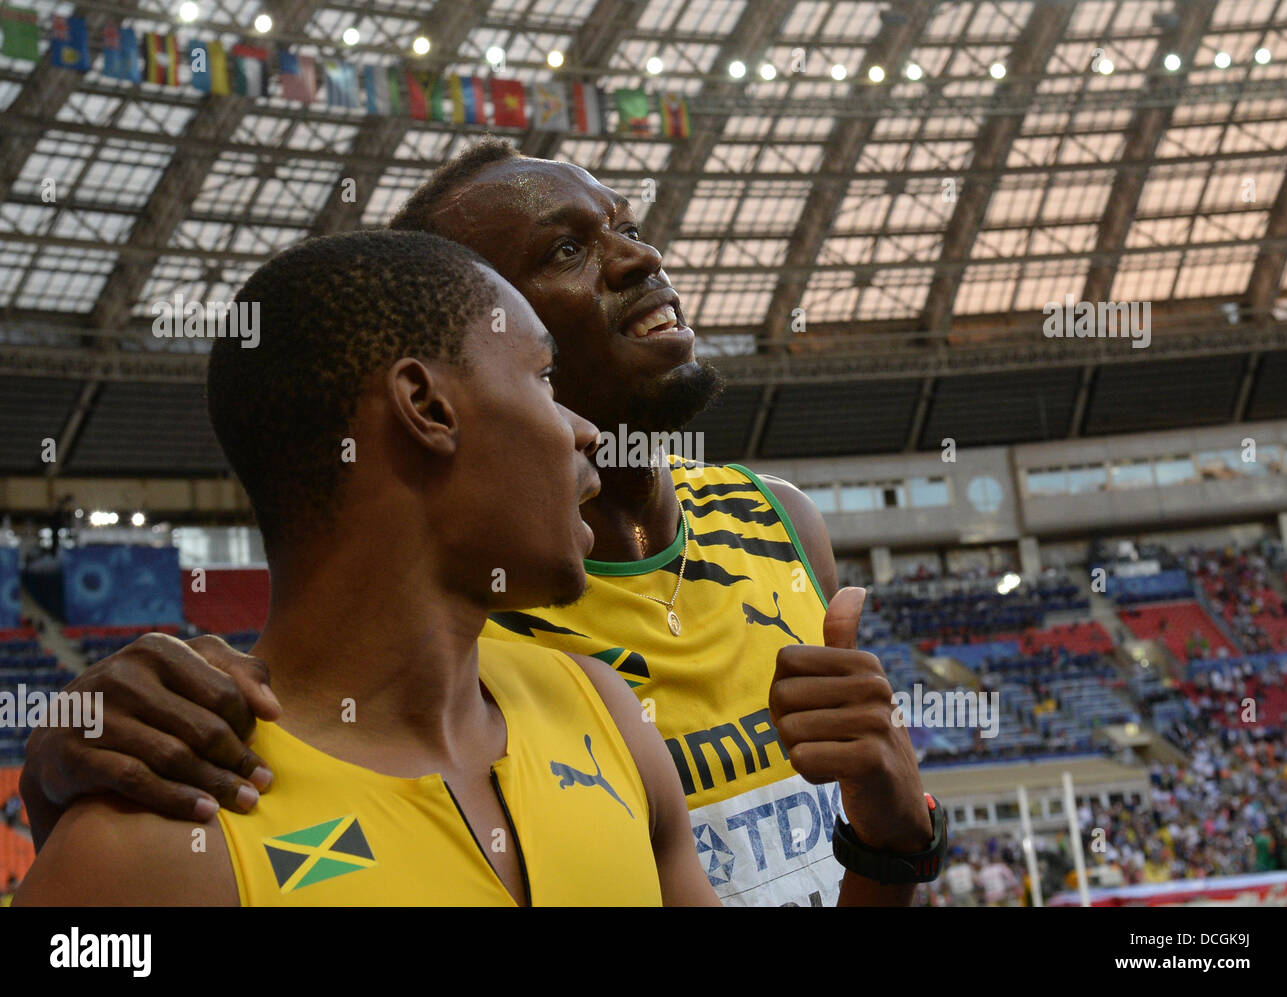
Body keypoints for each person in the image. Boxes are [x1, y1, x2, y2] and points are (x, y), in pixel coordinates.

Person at [21, 141, 940, 907]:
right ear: (435, 390)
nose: (642, 257)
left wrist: (889, 846)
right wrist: (64, 777)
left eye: (624, 224)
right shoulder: (475, 627)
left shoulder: (758, 542)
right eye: (566, 251)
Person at [15, 231, 718, 906]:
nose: (583, 430)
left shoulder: (604, 710)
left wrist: (837, 824)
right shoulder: (153, 845)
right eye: (543, 377)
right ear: (426, 406)